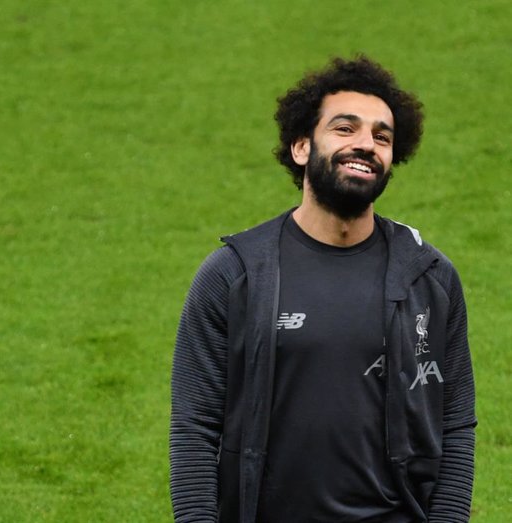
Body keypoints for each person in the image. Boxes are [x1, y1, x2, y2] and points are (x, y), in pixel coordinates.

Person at [169, 56, 476, 523]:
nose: (366, 145)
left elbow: (454, 424)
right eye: (345, 129)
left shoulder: (429, 278)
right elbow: (194, 426)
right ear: (300, 147)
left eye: (382, 136)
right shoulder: (234, 275)